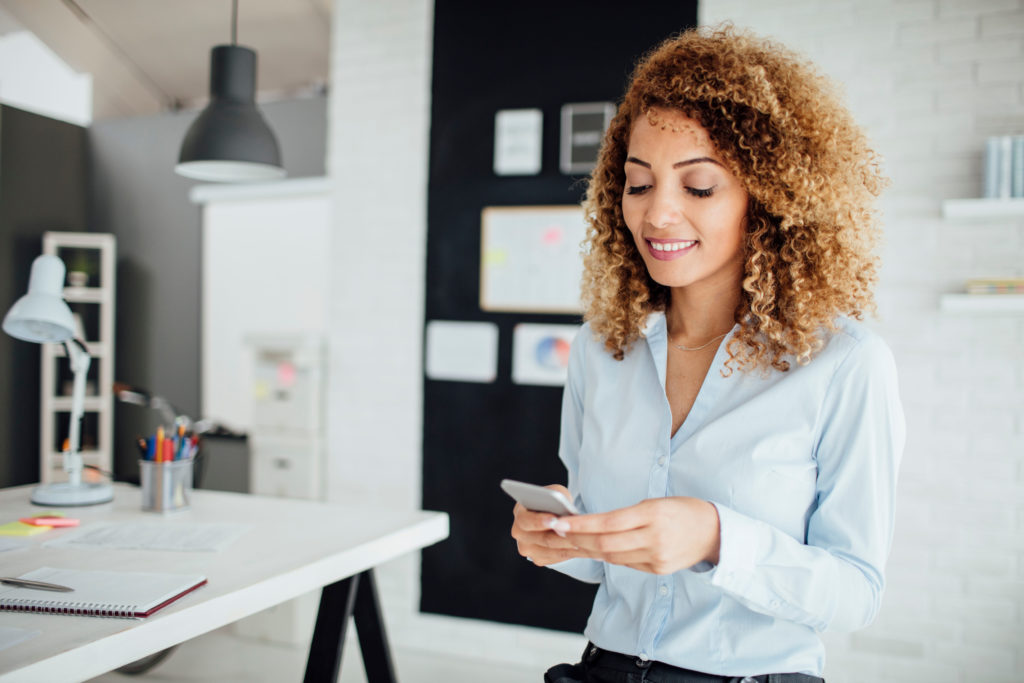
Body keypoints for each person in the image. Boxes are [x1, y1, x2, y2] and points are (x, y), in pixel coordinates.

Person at [510, 24, 904, 683]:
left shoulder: (845, 364)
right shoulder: (599, 351)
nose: (657, 215)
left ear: (769, 199)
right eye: (638, 185)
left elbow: (856, 590)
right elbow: (606, 563)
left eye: (697, 187)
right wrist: (565, 535)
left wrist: (718, 538)